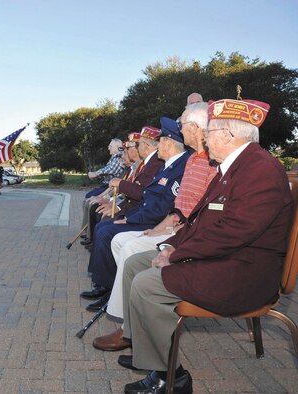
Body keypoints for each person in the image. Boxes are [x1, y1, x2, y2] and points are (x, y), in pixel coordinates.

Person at [115, 98, 291, 394]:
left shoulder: (260, 169)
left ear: (226, 135)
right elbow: (199, 222)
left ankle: (170, 376)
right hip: (227, 259)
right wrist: (169, 247)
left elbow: (235, 231)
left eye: (209, 132)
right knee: (136, 264)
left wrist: (178, 256)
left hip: (245, 273)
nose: (204, 138)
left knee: (147, 284)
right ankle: (146, 351)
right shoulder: (233, 167)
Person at [92, 101, 217, 350]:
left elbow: (185, 214)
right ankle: (128, 320)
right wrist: (162, 230)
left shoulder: (203, 163)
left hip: (186, 236)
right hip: (172, 227)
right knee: (120, 241)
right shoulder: (193, 162)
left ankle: (128, 326)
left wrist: (167, 235)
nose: (157, 145)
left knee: (128, 247)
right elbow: (177, 210)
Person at [83, 117, 190, 311]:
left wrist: (129, 219)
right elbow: (150, 198)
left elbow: (162, 207)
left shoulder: (175, 166)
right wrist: (127, 216)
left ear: (166, 142)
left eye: (139, 144)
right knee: (105, 227)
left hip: (155, 221)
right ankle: (106, 287)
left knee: (107, 231)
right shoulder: (166, 166)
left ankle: (108, 290)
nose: (158, 147)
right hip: (146, 216)